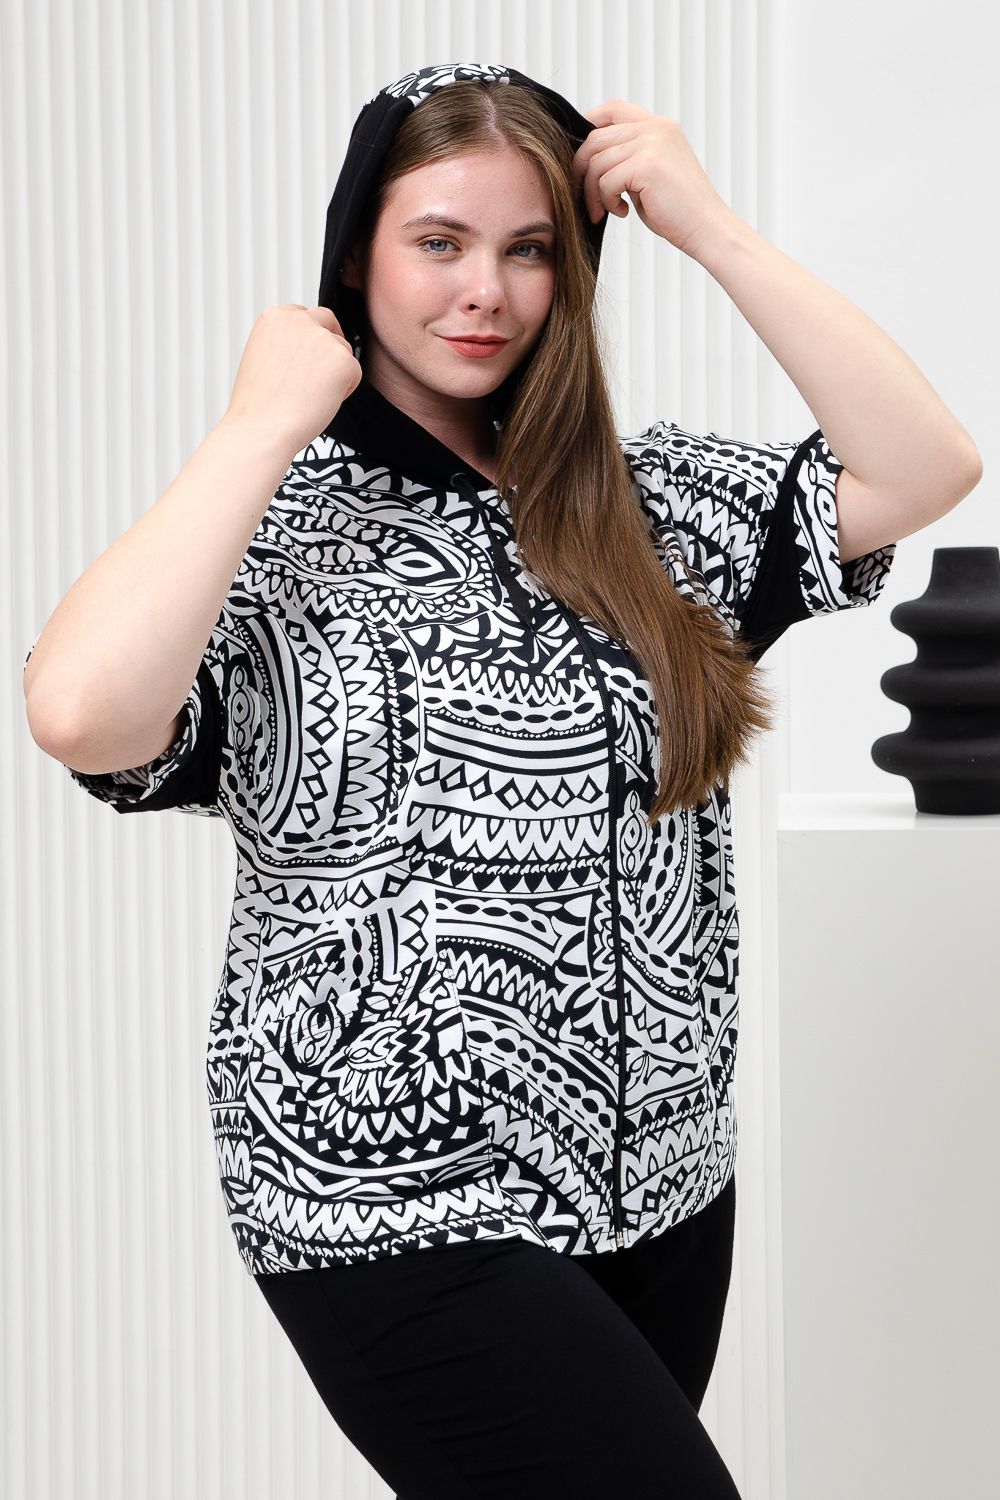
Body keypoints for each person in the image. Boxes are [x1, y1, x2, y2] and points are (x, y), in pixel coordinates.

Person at [23, 57, 979, 1500]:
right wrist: (257, 424)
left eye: (529, 250)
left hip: (664, 1187)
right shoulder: (264, 534)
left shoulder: (653, 506)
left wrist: (713, 230)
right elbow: (80, 712)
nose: (486, 291)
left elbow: (925, 464)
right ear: (357, 256)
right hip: (386, 1202)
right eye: (439, 241)